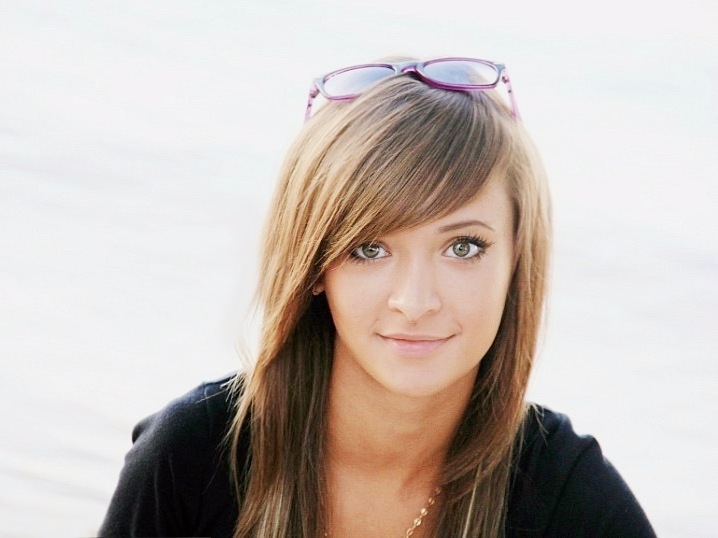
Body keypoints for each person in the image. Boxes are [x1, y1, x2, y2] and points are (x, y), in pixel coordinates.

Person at [99, 57, 656, 537]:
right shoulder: (194, 457)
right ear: (315, 265)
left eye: (463, 247)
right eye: (369, 248)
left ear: (517, 258)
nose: (415, 301)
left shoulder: (566, 495)